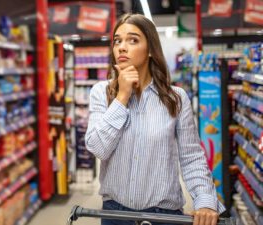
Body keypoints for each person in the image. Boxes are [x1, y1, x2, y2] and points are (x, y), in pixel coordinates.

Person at [85, 13, 225, 225]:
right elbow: (98, 149)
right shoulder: (101, 93)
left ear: (150, 49)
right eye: (117, 41)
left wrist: (205, 201)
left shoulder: (175, 98)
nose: (122, 47)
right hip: (115, 215)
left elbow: (191, 157)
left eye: (133, 40)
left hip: (164, 216)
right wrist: (122, 97)